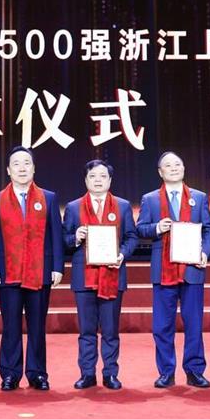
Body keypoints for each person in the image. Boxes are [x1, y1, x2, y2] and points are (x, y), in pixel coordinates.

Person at [0, 146, 64, 391]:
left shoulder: (48, 198)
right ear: (9, 170)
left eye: (26, 163)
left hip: (40, 271)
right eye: (16, 164)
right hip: (7, 271)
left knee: (37, 326)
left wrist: (57, 266)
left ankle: (37, 373)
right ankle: (10, 373)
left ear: (34, 168)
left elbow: (55, 234)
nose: (22, 168)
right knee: (10, 326)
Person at [136, 151, 210, 389]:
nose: (173, 168)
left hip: (192, 269)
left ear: (184, 168)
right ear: (160, 172)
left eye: (177, 164)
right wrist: (156, 228)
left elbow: (209, 230)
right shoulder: (150, 199)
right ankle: (166, 372)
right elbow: (140, 229)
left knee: (194, 324)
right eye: (168, 165)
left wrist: (204, 252)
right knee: (162, 326)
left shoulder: (199, 197)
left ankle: (194, 370)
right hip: (163, 270)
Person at [63, 160, 138, 390]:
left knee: (110, 330)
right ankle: (87, 374)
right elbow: (63, 240)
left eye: (103, 176)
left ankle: (110, 373)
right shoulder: (73, 207)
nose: (98, 180)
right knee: (86, 330)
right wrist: (75, 237)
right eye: (93, 176)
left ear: (110, 180)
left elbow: (132, 237)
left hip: (113, 274)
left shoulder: (122, 206)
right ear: (85, 180)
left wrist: (122, 255)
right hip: (83, 277)